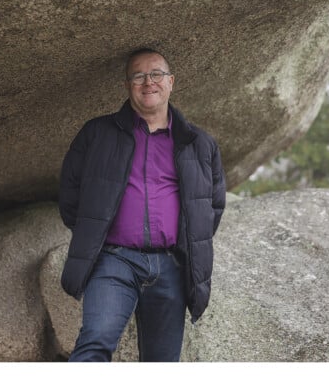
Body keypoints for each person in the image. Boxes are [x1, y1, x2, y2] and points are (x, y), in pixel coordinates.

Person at [58, 47, 226, 362]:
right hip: (114, 261)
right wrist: (93, 232)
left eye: (156, 74)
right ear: (128, 85)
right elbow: (69, 194)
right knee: (95, 342)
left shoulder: (200, 144)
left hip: (171, 267)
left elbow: (213, 206)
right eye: (138, 76)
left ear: (171, 82)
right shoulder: (97, 134)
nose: (148, 82)